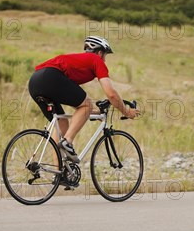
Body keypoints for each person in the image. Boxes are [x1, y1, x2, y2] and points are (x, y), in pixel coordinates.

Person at [28, 35, 140, 163]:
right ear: (99, 53)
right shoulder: (95, 60)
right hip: (51, 77)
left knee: (62, 122)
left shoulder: (79, 62)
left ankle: (58, 173)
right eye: (105, 56)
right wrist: (126, 112)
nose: (104, 60)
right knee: (87, 105)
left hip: (35, 81)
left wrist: (92, 112)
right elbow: (112, 94)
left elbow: (71, 97)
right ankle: (68, 142)